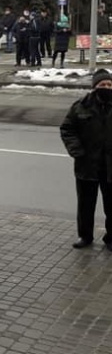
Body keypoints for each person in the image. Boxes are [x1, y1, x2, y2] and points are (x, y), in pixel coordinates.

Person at [60, 69, 112, 250]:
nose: (106, 88)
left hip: (110, 165)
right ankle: (85, 236)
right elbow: (67, 129)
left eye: (109, 85)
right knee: (85, 205)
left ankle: (110, 238)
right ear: (94, 87)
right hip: (87, 165)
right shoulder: (81, 106)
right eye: (102, 85)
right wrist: (76, 150)